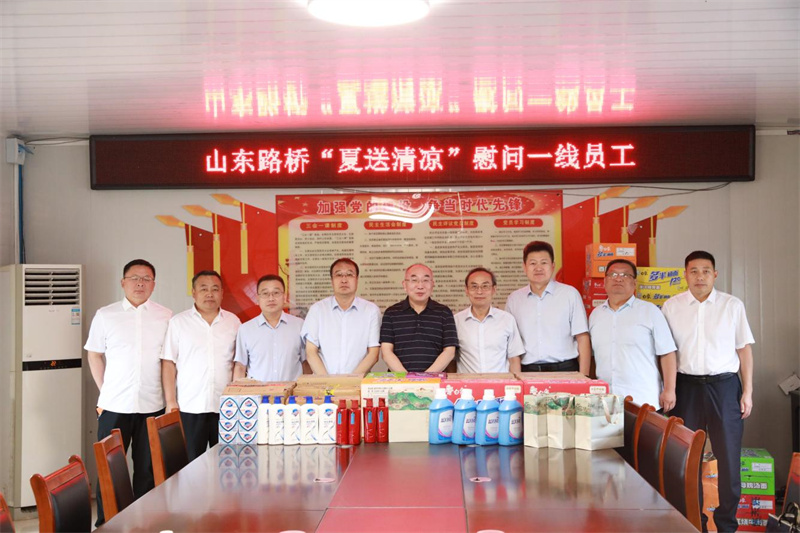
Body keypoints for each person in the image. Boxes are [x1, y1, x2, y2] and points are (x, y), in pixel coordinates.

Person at [662, 250, 754, 533]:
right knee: (687, 459)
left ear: (715, 274)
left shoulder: (732, 305)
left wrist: (748, 392)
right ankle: (695, 523)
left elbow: (744, 350)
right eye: (693, 271)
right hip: (686, 388)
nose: (699, 276)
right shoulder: (671, 307)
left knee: (729, 458)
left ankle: (726, 525)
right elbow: (667, 352)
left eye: (705, 271)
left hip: (724, 388)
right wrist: (669, 388)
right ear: (685, 275)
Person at [85, 259, 172, 526]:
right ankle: (107, 524)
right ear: (123, 282)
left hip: (152, 404)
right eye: (134, 278)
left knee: (147, 469)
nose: (140, 283)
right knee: (110, 470)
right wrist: (105, 391)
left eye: (146, 279)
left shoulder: (166, 316)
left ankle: (145, 525)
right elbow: (94, 354)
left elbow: (169, 361)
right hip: (114, 406)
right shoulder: (105, 315)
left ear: (154, 285)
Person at [161, 270, 241, 461]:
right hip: (190, 406)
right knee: (189, 464)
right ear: (194, 292)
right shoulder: (179, 322)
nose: (209, 294)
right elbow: (168, 363)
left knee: (227, 464)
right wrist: (171, 401)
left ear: (222, 293)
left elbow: (238, 363)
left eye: (215, 289)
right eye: (204, 289)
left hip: (225, 407)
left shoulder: (233, 322)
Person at [588, 259, 677, 410]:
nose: (618, 278)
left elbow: (667, 353)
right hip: (605, 401)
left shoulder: (650, 311)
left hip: (642, 400)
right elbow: (592, 357)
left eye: (625, 275)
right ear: (605, 281)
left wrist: (669, 390)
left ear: (634, 283)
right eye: (613, 274)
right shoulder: (595, 315)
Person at [505, 240, 590, 374]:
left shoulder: (569, 294)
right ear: (524, 267)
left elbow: (582, 337)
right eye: (533, 263)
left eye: (544, 263)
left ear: (553, 266)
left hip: (565, 370)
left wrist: (584, 377)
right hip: (528, 372)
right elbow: (511, 343)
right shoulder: (514, 299)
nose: (538, 268)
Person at [301, 258, 381, 374]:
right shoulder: (317, 310)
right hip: (323, 382)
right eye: (338, 275)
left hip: (358, 382)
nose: (344, 280)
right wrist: (327, 382)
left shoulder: (371, 310)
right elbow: (311, 352)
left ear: (357, 279)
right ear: (332, 280)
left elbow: (373, 354)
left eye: (349, 274)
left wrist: (350, 381)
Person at [380, 263, 458, 373]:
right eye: (414, 280)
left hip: (435, 380)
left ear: (432, 284)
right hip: (399, 380)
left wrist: (426, 377)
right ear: (404, 285)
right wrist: (407, 378)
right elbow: (386, 352)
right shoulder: (391, 313)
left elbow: (449, 351)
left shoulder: (444, 313)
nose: (420, 286)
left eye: (425, 280)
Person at [233, 274, 305, 382]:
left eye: (276, 293)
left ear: (284, 297)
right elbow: (240, 366)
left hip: (292, 392)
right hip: (258, 392)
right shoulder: (245, 329)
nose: (271, 298)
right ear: (257, 299)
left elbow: (306, 363)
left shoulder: (299, 325)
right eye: (265, 293)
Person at [454, 267, 525, 374]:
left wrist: (515, 382)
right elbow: (452, 359)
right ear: (466, 290)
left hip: (500, 383)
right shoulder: (456, 321)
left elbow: (514, 359)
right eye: (474, 286)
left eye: (485, 286)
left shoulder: (507, 320)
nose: (479, 291)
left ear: (493, 289)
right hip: (467, 383)